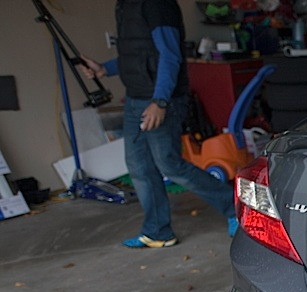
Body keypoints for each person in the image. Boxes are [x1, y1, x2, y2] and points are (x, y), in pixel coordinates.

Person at [80, 0, 238, 249]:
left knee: (169, 165)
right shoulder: (125, 6)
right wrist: (104, 70)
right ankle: (157, 231)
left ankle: (236, 209)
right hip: (136, 98)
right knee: (139, 166)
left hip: (161, 100)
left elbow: (170, 54)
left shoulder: (156, 4)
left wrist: (160, 101)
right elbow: (138, 54)